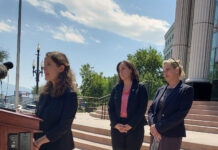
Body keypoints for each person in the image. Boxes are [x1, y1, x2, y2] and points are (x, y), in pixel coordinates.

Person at [33, 51, 78, 150]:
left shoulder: (70, 95)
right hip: (40, 145)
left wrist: (40, 141)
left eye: (48, 64)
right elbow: (38, 117)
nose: (44, 68)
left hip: (59, 146)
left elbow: (63, 127)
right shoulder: (44, 93)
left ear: (61, 68)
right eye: (44, 65)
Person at [148, 58, 194, 150]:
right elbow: (151, 110)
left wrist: (158, 127)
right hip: (155, 134)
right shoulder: (160, 90)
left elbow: (180, 115)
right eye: (163, 71)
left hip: (172, 135)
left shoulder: (186, 90)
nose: (165, 73)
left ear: (177, 70)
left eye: (168, 69)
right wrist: (153, 126)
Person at [108, 60, 148, 150]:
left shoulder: (140, 88)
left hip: (135, 127)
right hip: (117, 127)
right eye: (119, 70)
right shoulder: (116, 88)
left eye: (123, 69)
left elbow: (142, 109)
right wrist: (115, 124)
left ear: (131, 70)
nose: (120, 72)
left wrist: (131, 125)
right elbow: (111, 107)